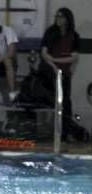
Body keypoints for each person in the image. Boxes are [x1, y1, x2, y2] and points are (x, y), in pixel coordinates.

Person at [39, 7, 80, 140]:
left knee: (66, 101)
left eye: (61, 16)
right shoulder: (50, 32)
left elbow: (73, 57)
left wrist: (56, 61)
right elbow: (44, 53)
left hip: (62, 70)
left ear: (67, 19)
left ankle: (66, 132)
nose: (58, 19)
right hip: (49, 69)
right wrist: (54, 66)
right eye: (57, 16)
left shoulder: (74, 36)